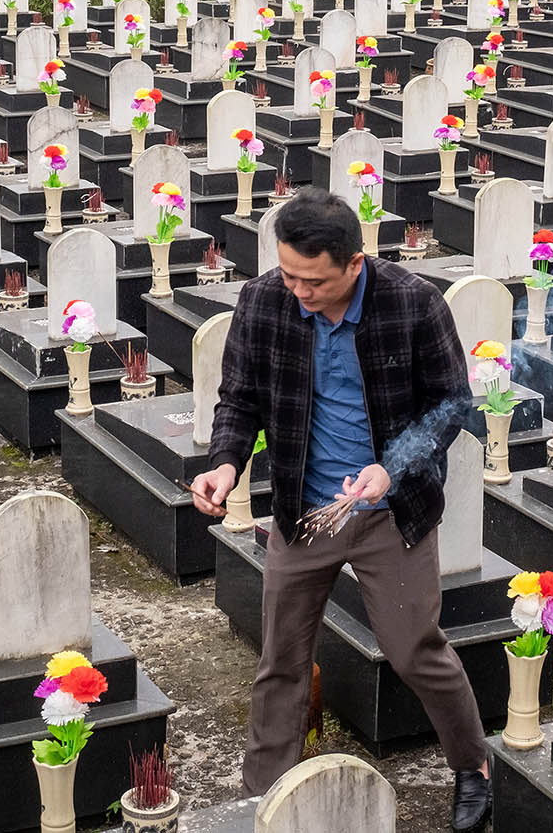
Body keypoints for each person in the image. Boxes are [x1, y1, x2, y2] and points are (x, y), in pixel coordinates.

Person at [191, 189, 491, 831]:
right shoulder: (264, 300)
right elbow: (238, 399)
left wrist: (396, 463)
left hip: (390, 512)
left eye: (313, 279)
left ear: (355, 263)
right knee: (281, 659)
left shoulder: (413, 304)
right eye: (289, 273)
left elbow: (451, 406)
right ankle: (262, 798)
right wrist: (224, 463)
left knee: (415, 650)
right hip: (304, 508)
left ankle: (473, 766)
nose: (297, 289)